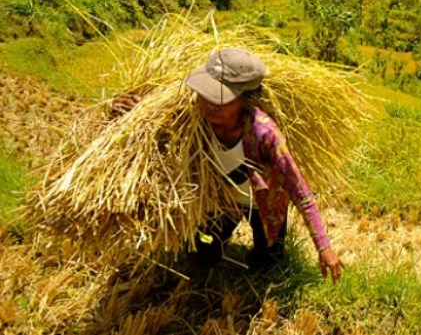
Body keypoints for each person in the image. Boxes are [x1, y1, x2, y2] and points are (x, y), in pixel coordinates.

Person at [112, 48, 344, 283]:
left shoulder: (264, 133)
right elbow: (153, 126)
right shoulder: (195, 117)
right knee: (201, 254)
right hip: (221, 202)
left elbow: (300, 192)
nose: (209, 103)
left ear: (245, 99)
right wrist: (129, 114)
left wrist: (323, 247)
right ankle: (211, 247)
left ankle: (265, 254)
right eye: (206, 93)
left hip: (263, 206)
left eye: (220, 98)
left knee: (267, 265)